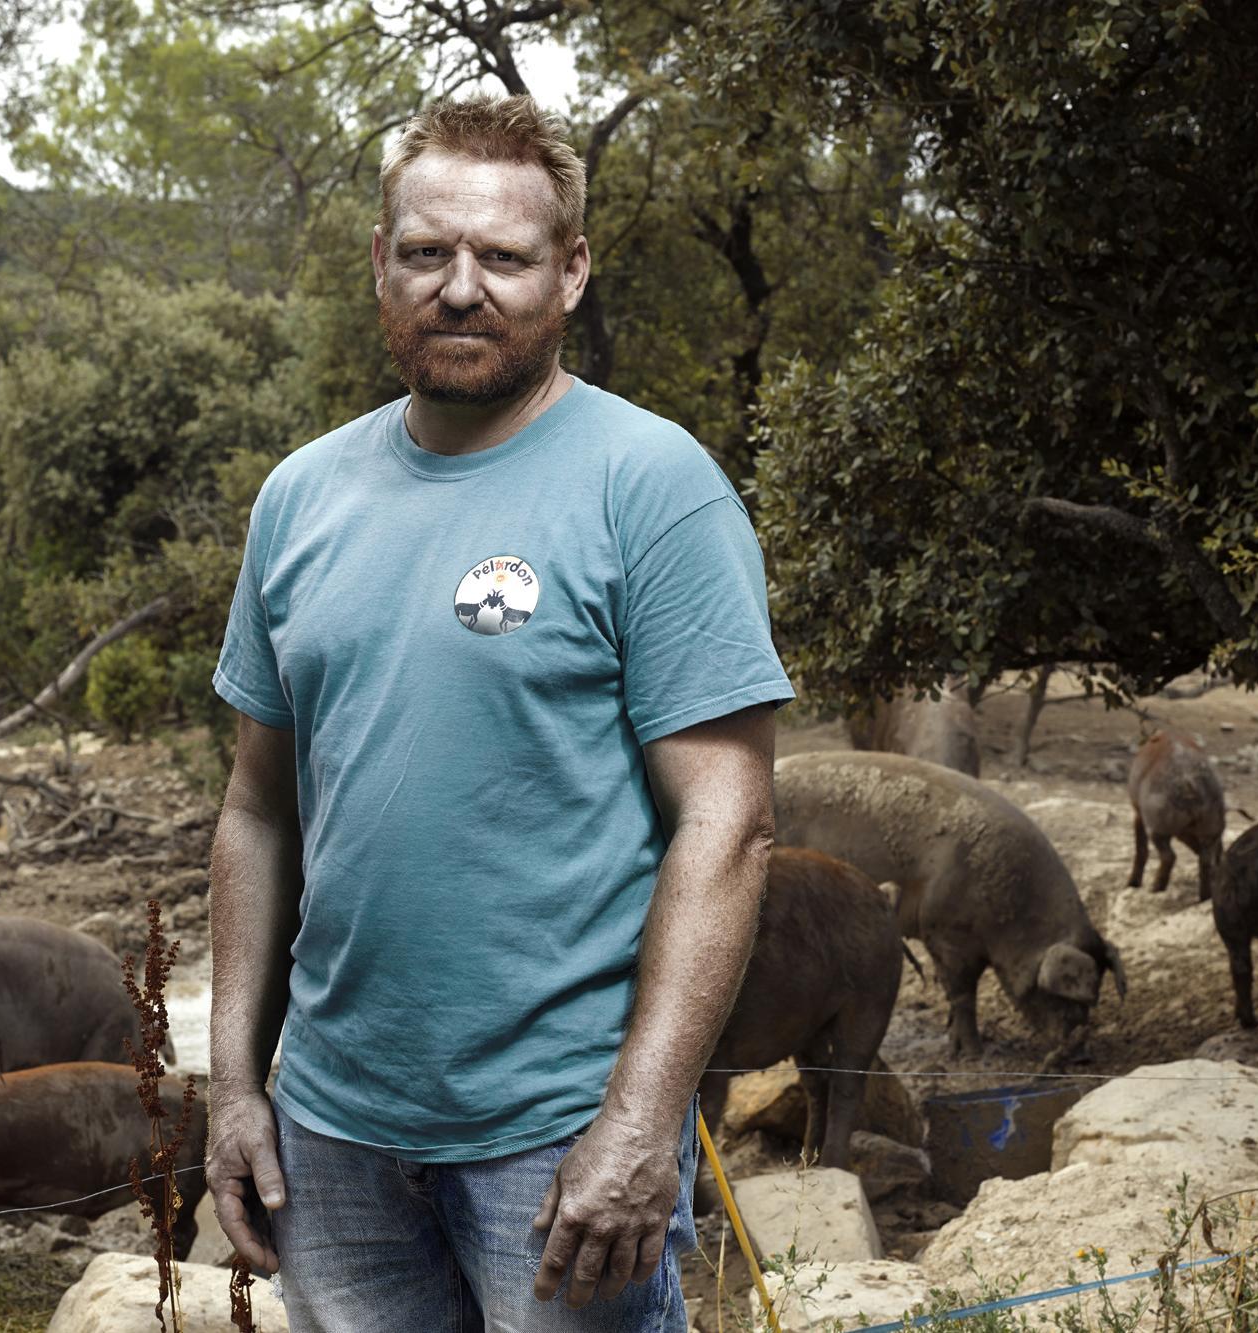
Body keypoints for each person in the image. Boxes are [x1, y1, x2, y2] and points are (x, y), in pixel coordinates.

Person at [205, 93, 794, 1331]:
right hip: (332, 1138)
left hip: (559, 1139)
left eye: (504, 257)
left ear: (570, 271)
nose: (459, 288)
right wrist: (233, 1086)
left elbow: (728, 823)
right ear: (381, 261)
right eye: (426, 253)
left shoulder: (655, 486)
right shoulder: (301, 498)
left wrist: (642, 1120)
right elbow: (259, 811)